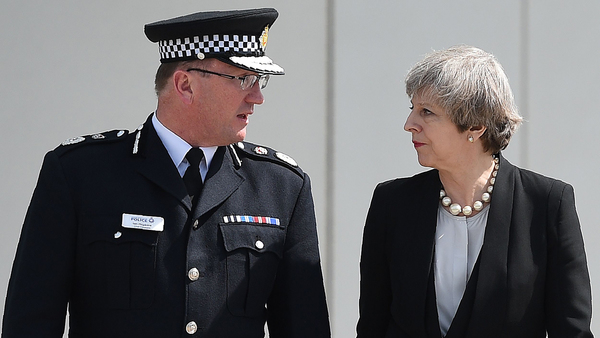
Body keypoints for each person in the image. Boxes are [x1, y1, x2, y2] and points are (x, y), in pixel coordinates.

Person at [2, 8, 330, 338]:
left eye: (261, 81)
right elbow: (30, 322)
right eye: (243, 78)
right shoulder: (79, 174)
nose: (257, 97)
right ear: (185, 84)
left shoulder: (283, 188)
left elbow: (306, 327)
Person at [357, 45, 593, 338]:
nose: (409, 125)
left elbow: (571, 331)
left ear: (476, 126)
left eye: (426, 112)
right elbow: (372, 326)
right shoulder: (391, 203)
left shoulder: (547, 204)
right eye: (412, 109)